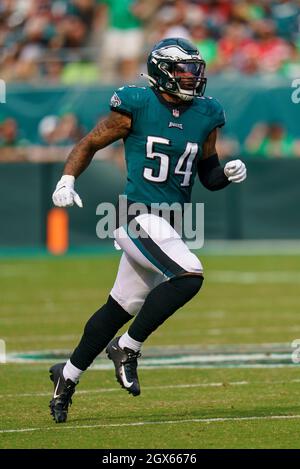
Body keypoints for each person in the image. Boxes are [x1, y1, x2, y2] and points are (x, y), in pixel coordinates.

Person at [49, 37, 247, 423]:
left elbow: (208, 175)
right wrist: (66, 179)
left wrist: (226, 174)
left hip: (170, 225)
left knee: (119, 307)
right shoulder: (135, 104)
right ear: (161, 71)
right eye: (183, 70)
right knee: (189, 275)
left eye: (195, 70)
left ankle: (66, 378)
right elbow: (90, 143)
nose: (191, 78)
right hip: (137, 216)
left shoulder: (207, 113)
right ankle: (128, 347)